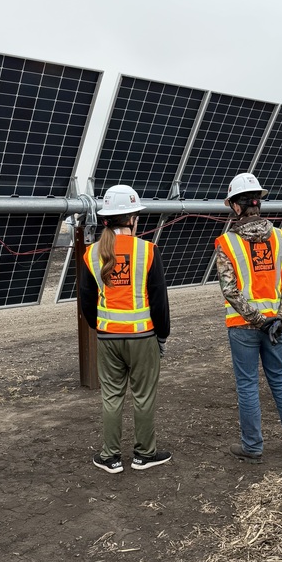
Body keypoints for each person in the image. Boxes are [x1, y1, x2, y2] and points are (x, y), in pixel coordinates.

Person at [215, 172, 282, 463]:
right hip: (276, 326)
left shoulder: (226, 243)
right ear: (258, 203)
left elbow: (230, 290)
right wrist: (280, 317)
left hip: (244, 326)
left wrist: (258, 319)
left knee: (247, 385)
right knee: (280, 380)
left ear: (236, 206)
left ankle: (253, 447)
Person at [79, 184, 172, 473]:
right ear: (132, 218)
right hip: (143, 338)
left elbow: (86, 302)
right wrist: (162, 335)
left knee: (111, 396)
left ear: (106, 219)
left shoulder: (92, 253)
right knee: (143, 396)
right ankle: (145, 454)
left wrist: (102, 328)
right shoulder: (148, 251)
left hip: (108, 339)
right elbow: (159, 301)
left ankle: (111, 457)